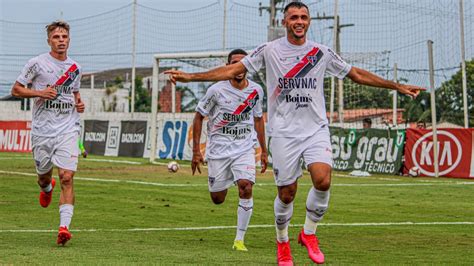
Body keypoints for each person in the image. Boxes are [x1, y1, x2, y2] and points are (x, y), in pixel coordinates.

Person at [166, 2, 424, 265]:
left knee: (323, 180)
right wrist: (191, 77)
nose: (299, 21)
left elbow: (355, 73)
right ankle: (283, 242)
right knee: (287, 193)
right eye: (293, 17)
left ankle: (309, 233)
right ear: (284, 22)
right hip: (283, 134)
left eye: (303, 17)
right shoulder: (269, 51)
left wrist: (396, 85)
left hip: (315, 130)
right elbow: (233, 70)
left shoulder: (320, 52)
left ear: (309, 21)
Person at [11, 20, 84, 246]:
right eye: (56, 37)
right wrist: (39, 92)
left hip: (67, 129)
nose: (61, 40)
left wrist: (79, 104)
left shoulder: (75, 68)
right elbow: (16, 89)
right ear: (49, 40)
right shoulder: (37, 63)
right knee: (44, 176)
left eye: (64, 37)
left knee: (67, 177)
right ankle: (46, 187)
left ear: (69, 40)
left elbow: (75, 94)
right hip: (43, 131)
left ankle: (64, 228)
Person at [192, 49, 268, 252]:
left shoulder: (256, 91)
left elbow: (259, 120)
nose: (238, 67)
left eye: (242, 63)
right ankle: (226, 182)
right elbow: (199, 116)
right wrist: (196, 152)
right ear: (228, 67)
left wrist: (264, 150)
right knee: (218, 198)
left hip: (244, 148)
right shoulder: (216, 90)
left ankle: (239, 239)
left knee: (246, 186)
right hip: (218, 151)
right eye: (234, 63)